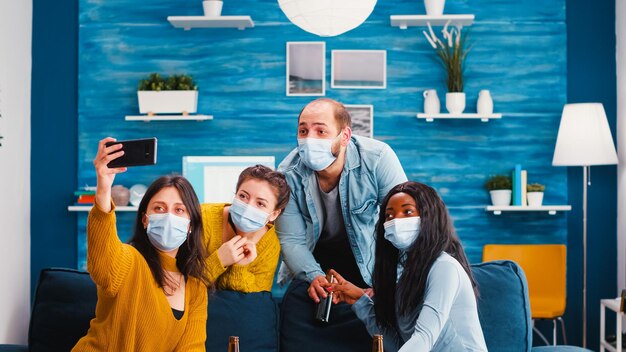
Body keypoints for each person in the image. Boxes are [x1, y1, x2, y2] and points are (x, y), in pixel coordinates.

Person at [276, 98, 407, 350]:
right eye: (303, 130)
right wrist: (314, 277)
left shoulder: (378, 158)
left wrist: (388, 285)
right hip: (313, 269)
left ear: (345, 136)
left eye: (320, 130)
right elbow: (291, 240)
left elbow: (402, 226)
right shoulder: (286, 174)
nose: (309, 139)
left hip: (370, 267)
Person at [73, 137, 210, 351]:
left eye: (179, 210)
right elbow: (102, 266)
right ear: (145, 219)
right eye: (159, 208)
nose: (168, 216)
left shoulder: (196, 288)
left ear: (191, 225)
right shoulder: (129, 260)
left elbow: (192, 347)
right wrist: (103, 188)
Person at [330, 181, 488, 352]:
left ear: (430, 216)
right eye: (389, 216)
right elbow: (400, 346)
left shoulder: (444, 267)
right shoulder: (405, 277)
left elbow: (424, 338)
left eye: (408, 212)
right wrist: (359, 300)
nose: (396, 221)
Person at [202, 165, 290, 292]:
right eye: (243, 196)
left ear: (274, 214)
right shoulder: (203, 217)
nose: (248, 207)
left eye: (260, 203)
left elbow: (259, 296)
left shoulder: (270, 244)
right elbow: (182, 284)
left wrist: (239, 267)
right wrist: (219, 260)